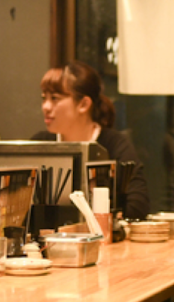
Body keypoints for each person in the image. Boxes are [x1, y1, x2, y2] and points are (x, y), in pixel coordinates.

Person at [31, 61, 149, 220]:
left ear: (83, 104)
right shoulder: (40, 143)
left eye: (54, 98)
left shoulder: (114, 145)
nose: (45, 106)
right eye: (44, 98)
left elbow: (138, 206)